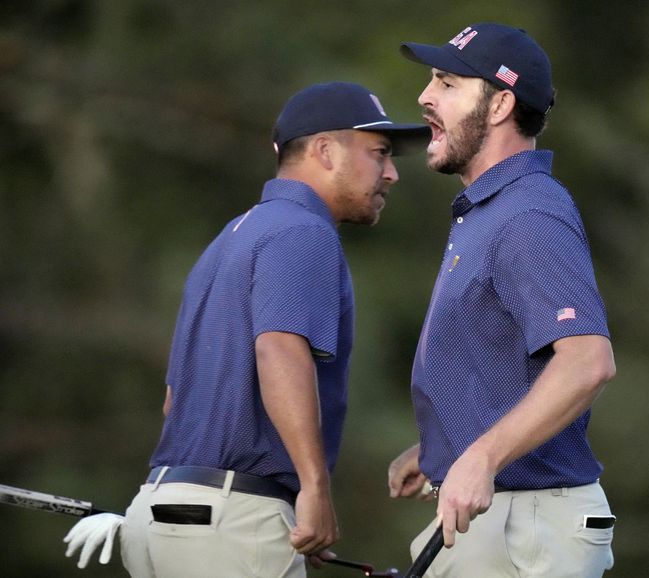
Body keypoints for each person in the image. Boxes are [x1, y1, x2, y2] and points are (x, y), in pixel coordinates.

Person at [62, 81, 430, 578]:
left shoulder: (235, 234)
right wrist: (314, 493)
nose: (391, 173)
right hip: (230, 519)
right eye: (379, 153)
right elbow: (279, 353)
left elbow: (176, 399)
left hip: (159, 513)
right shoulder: (304, 230)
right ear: (324, 150)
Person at [387, 23, 617, 578]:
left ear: (499, 106)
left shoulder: (528, 214)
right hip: (508, 520)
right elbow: (504, 362)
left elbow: (587, 362)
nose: (424, 97)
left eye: (446, 82)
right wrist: (444, 442)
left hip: (530, 525)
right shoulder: (492, 210)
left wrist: (481, 456)